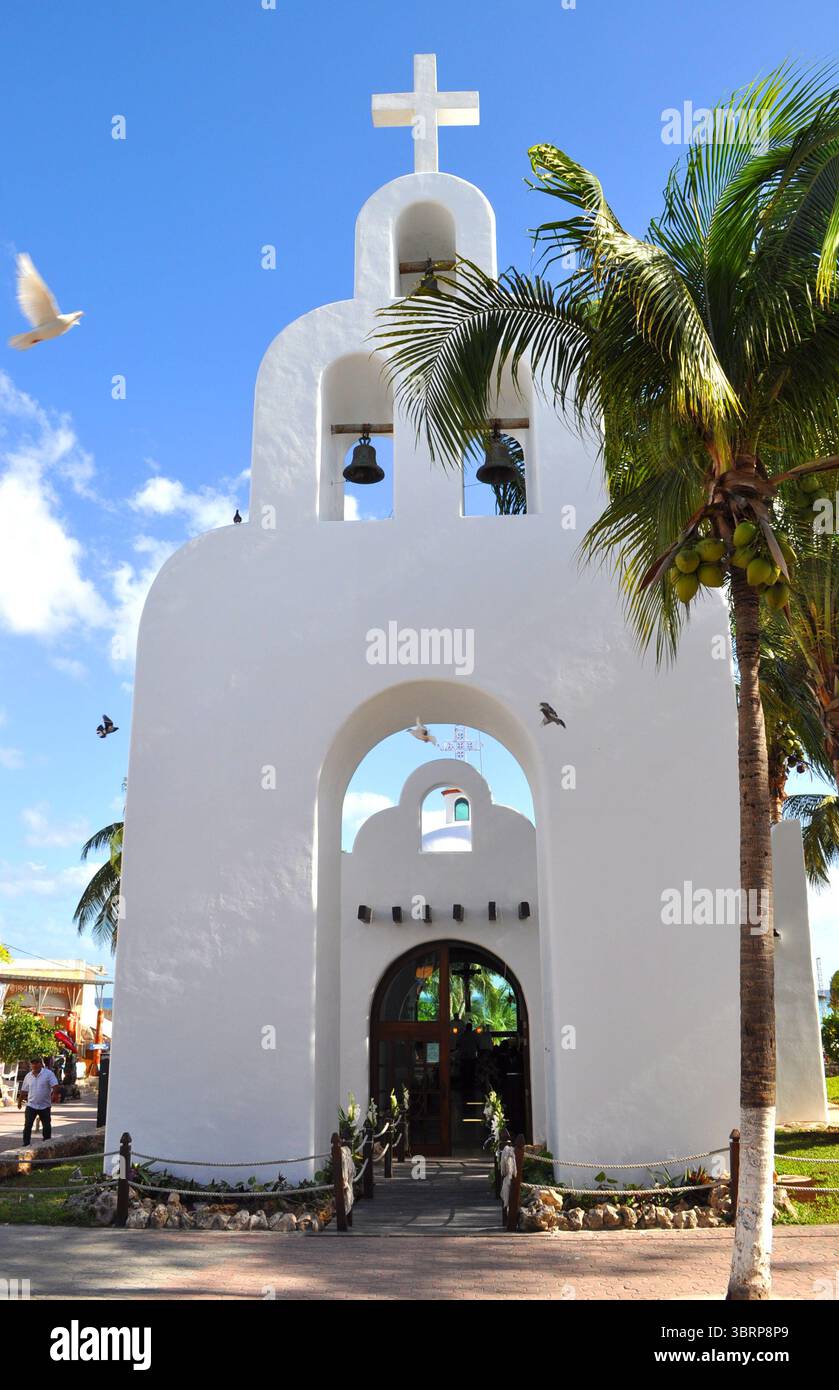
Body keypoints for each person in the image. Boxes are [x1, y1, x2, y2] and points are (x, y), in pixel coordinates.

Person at [17, 1057, 59, 1144]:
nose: (34, 1065)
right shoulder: (28, 1076)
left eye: (36, 1063)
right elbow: (24, 1090)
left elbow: (55, 1085)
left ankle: (47, 1143)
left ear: (41, 1064)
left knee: (46, 1125)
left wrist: (55, 1095)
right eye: (33, 1064)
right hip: (31, 1105)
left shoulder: (48, 1074)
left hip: (45, 1105)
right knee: (28, 1125)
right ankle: (26, 1143)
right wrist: (19, 1101)